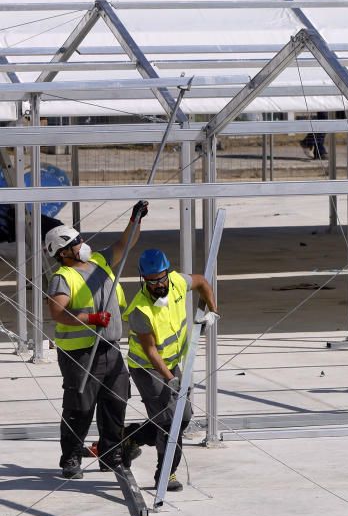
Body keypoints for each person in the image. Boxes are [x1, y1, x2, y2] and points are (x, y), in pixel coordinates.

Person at [45, 201, 147, 479]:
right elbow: (57, 312)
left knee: (115, 401)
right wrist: (90, 319)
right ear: (64, 252)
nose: (82, 244)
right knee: (80, 406)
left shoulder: (99, 261)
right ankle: (71, 459)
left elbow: (124, 244)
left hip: (109, 347)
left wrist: (134, 219)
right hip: (79, 353)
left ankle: (110, 454)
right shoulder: (63, 277)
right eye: (76, 242)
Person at [123, 249, 219, 492]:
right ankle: (166, 473)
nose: (159, 284)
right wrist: (170, 378)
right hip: (148, 368)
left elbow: (201, 282)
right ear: (144, 279)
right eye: (152, 280)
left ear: (167, 272)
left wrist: (213, 311)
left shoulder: (176, 281)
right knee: (169, 421)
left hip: (173, 363)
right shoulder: (140, 310)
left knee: (184, 416)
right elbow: (151, 351)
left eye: (161, 277)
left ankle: (131, 437)